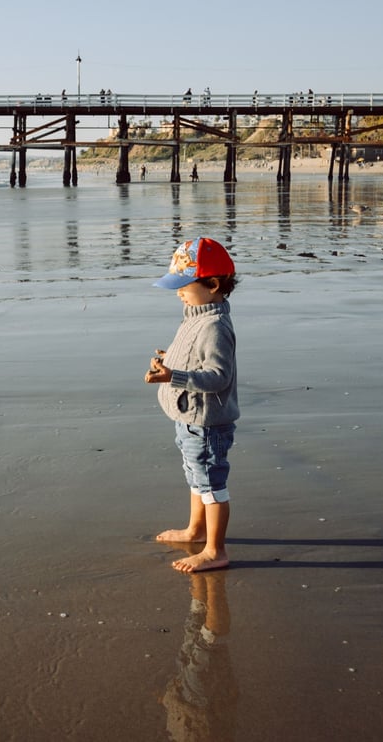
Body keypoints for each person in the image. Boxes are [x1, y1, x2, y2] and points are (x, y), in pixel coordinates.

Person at [144, 238, 240, 573]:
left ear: (213, 285)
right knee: (196, 476)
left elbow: (218, 376)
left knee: (212, 484)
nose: (178, 293)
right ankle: (196, 530)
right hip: (189, 417)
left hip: (207, 421)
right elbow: (192, 356)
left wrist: (175, 375)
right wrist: (168, 360)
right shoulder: (195, 316)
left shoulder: (214, 326)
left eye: (185, 286)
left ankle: (216, 550)